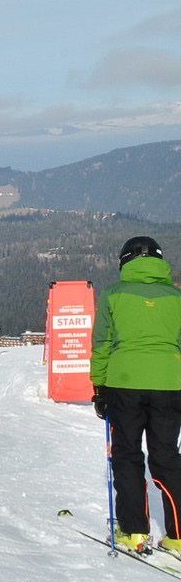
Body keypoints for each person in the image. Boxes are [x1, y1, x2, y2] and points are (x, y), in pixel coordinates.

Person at [91, 236, 181, 555]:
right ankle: (178, 536)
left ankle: (134, 532)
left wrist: (99, 388)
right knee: (167, 457)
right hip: (170, 386)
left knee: (127, 456)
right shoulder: (176, 297)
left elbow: (101, 345)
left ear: (124, 261)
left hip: (124, 384)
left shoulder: (114, 295)